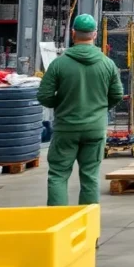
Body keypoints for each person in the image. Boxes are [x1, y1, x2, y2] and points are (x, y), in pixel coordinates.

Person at [37, 14, 123, 206]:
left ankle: (58, 226)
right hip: (95, 128)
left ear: (73, 33)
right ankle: (89, 229)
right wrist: (100, 109)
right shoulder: (107, 63)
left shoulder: (59, 64)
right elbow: (117, 94)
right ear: (94, 35)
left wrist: (62, 103)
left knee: (58, 175)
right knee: (90, 176)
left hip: (66, 128)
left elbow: (44, 96)